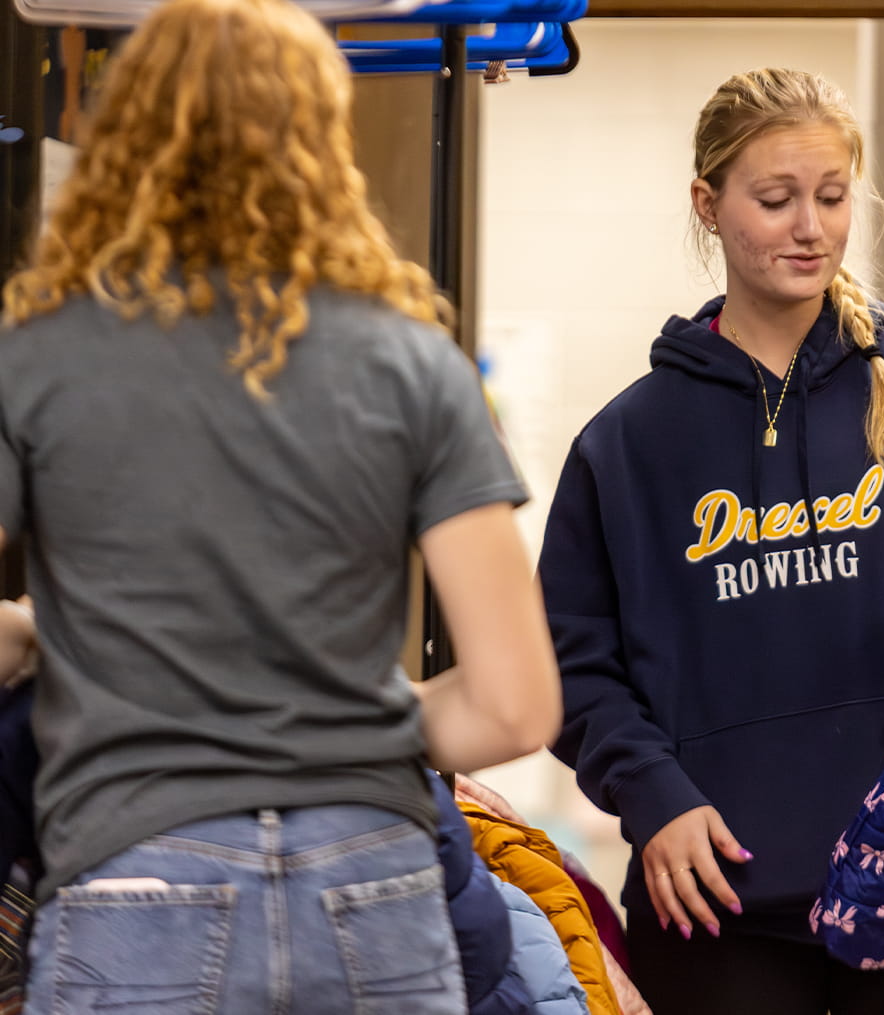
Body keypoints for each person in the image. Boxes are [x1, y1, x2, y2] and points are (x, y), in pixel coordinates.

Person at [0, 0, 561, 1010]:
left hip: (134, 884)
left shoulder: (32, 356)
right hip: (372, 888)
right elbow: (515, 704)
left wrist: (34, 636)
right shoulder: (412, 362)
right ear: (318, 140)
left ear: (123, 134)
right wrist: (338, 724)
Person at [538, 67, 884, 1015]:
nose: (810, 227)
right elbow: (568, 661)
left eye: (831, 198)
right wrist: (650, 791)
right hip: (715, 903)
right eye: (776, 200)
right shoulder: (628, 442)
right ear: (708, 205)